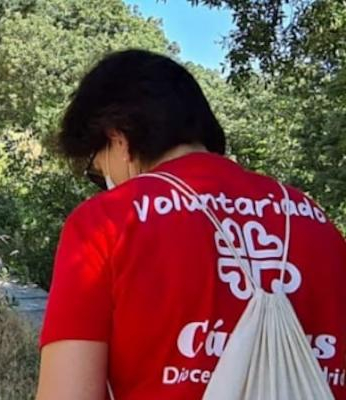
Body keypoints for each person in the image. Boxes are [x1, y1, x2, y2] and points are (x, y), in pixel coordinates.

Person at [36, 50, 346, 399]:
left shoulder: (107, 223)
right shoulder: (315, 219)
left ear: (118, 139)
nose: (102, 179)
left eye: (96, 170)